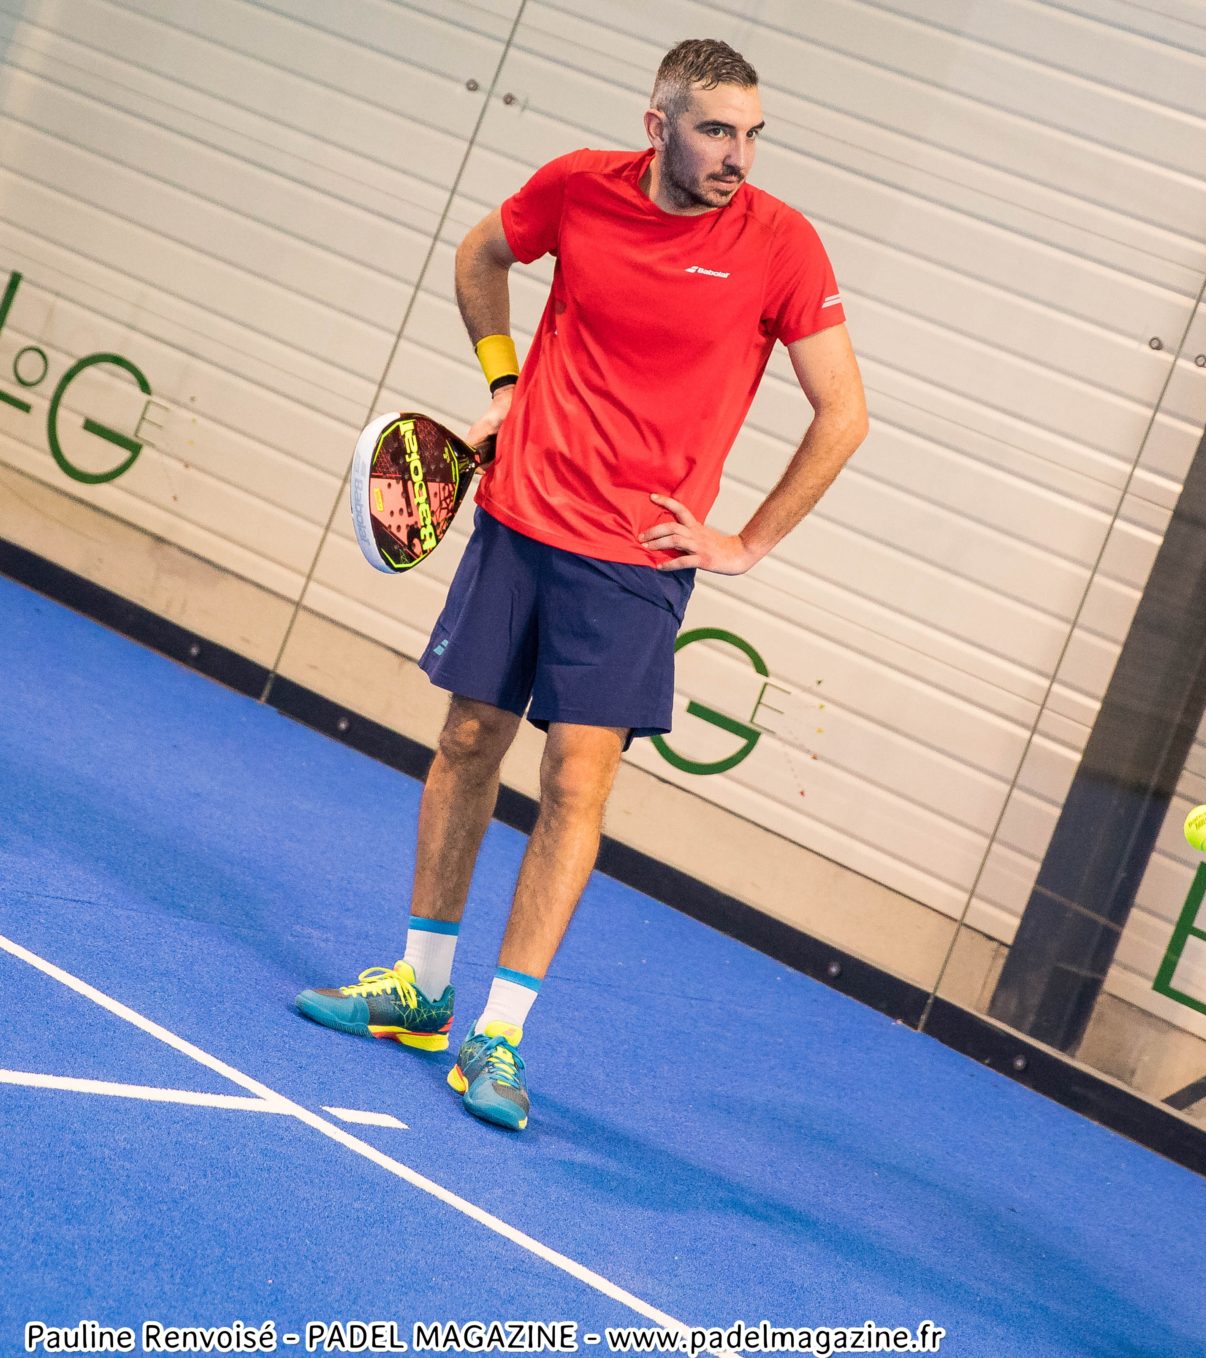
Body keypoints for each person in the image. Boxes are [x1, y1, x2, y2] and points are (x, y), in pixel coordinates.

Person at [295, 38, 867, 1132]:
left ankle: (500, 1035)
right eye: (715, 130)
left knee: (574, 781)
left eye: (752, 135)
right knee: (469, 738)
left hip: (633, 560)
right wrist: (504, 385)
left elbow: (844, 414)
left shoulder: (781, 244)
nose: (737, 155)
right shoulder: (578, 187)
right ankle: (421, 986)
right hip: (518, 515)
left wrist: (746, 542)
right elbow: (479, 256)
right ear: (658, 126)